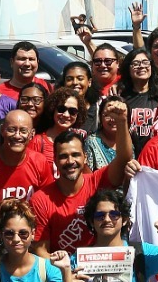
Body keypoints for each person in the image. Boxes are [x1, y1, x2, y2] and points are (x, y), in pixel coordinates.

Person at [33, 107, 134, 254]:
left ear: (85, 157)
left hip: (103, 266)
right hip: (64, 273)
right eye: (63, 156)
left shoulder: (97, 182)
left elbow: (124, 158)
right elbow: (41, 252)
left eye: (75, 155)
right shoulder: (40, 200)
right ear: (54, 160)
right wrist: (69, 272)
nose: (70, 161)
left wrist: (122, 122)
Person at [0, 110, 56, 204]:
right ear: (2, 130)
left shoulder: (40, 162)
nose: (17, 136)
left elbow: (48, 201)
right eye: (11, 130)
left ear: (32, 134)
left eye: (23, 131)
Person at [116, 46, 158, 153]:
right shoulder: (121, 96)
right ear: (128, 68)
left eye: (145, 62)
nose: (141, 66)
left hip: (156, 155)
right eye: (136, 63)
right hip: (129, 156)